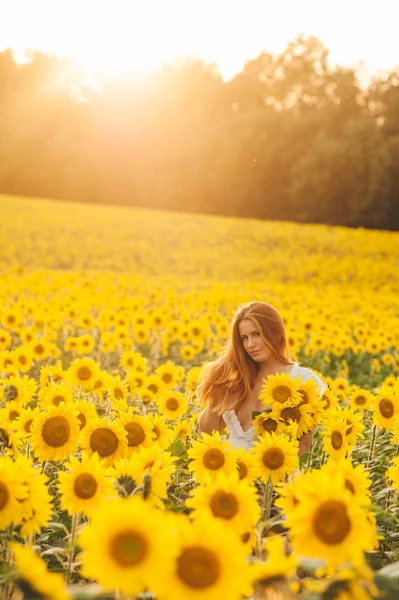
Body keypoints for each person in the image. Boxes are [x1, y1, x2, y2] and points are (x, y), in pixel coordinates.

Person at [197, 301, 326, 455]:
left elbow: (304, 446)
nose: (250, 344)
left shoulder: (304, 381)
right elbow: (207, 432)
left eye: (256, 334)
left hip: (276, 474)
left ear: (276, 332)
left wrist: (267, 472)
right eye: (244, 338)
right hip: (232, 475)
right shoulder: (237, 379)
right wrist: (216, 391)